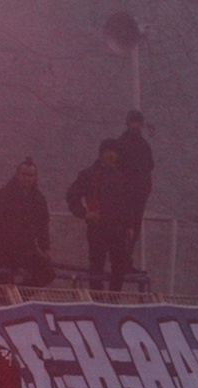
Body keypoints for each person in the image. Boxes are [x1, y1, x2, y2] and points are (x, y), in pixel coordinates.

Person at [66, 138, 130, 291]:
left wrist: (129, 226)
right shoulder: (88, 174)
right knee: (96, 268)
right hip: (97, 228)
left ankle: (113, 301)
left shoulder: (121, 177)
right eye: (108, 151)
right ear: (101, 153)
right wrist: (85, 213)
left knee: (119, 269)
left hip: (119, 230)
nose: (112, 155)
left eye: (115, 152)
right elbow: (72, 197)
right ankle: (97, 300)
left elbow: (127, 205)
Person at [0, 157, 55, 287]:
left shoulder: (39, 198)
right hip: (4, 249)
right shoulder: (4, 194)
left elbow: (43, 225)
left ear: (35, 177)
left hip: (27, 248)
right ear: (17, 174)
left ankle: (20, 294)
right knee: (2, 286)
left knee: (47, 274)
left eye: (31, 175)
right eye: (24, 174)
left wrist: (45, 248)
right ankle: (8, 298)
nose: (27, 178)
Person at [116, 109, 155, 270]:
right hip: (125, 194)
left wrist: (144, 187)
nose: (135, 125)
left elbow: (149, 166)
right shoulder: (122, 143)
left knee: (134, 228)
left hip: (138, 194)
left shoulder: (143, 145)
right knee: (125, 227)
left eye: (137, 122)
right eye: (133, 122)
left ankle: (126, 259)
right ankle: (121, 261)